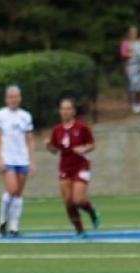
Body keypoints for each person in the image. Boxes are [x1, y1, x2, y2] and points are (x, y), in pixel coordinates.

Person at [45, 98, 100, 238]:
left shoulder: (81, 127)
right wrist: (48, 146)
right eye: (63, 109)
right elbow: (55, 150)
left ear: (74, 111)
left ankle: (91, 211)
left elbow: (92, 144)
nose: (66, 111)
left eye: (69, 108)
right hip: (65, 168)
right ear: (60, 111)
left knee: (78, 199)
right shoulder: (57, 130)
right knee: (68, 202)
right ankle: (80, 231)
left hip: (81, 166)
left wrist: (84, 149)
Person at [0, 84, 36, 237]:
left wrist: (32, 160)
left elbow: (30, 139)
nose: (13, 100)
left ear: (20, 98)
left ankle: (14, 227)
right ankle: (2, 220)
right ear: (6, 99)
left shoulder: (26, 116)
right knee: (12, 189)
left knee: (18, 194)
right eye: (11, 97)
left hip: (22, 159)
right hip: (7, 158)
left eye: (16, 97)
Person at [120, 26, 138, 112]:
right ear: (129, 33)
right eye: (132, 32)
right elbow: (123, 53)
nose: (134, 34)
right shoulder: (125, 43)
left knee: (139, 84)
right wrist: (130, 54)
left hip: (139, 66)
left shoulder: (138, 42)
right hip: (130, 65)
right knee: (131, 84)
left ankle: (138, 102)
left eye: (135, 32)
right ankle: (132, 103)